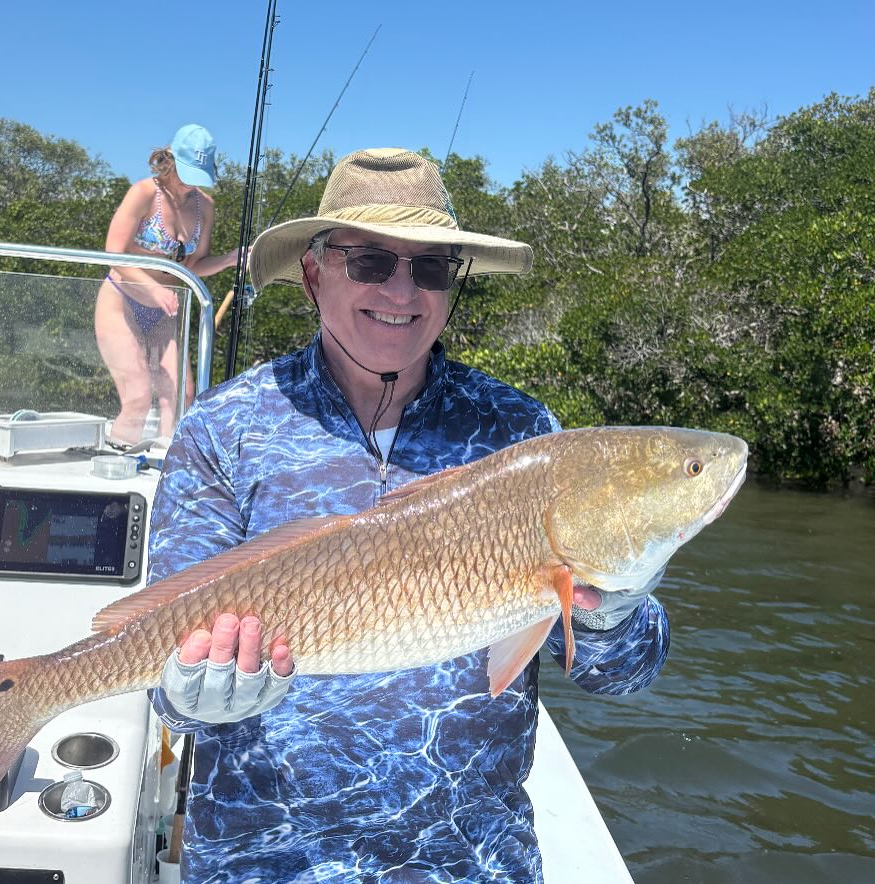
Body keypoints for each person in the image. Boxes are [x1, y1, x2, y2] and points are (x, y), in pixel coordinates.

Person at [146, 148, 670, 883]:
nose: (401, 289)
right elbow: (165, 681)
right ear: (311, 272)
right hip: (263, 858)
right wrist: (186, 694)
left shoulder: (521, 433)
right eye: (368, 261)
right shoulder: (222, 427)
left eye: (430, 268)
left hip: (471, 860)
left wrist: (612, 615)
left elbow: (621, 676)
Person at [94, 124, 239, 447]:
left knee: (181, 395)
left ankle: (164, 475)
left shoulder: (206, 206)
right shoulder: (145, 193)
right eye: (187, 172)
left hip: (163, 313)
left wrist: (229, 259)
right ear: (170, 160)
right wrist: (154, 288)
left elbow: (193, 266)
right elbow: (113, 253)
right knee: (138, 396)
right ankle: (119, 468)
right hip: (121, 302)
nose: (191, 183)